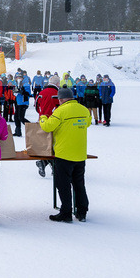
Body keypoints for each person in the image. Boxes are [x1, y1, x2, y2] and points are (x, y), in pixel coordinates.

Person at [40, 87, 90, 223]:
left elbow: (48, 127)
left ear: (61, 99)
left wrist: (43, 118)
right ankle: (82, 212)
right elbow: (88, 123)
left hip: (64, 154)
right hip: (80, 154)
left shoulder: (60, 111)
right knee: (79, 184)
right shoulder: (83, 109)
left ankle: (66, 212)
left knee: (63, 184)